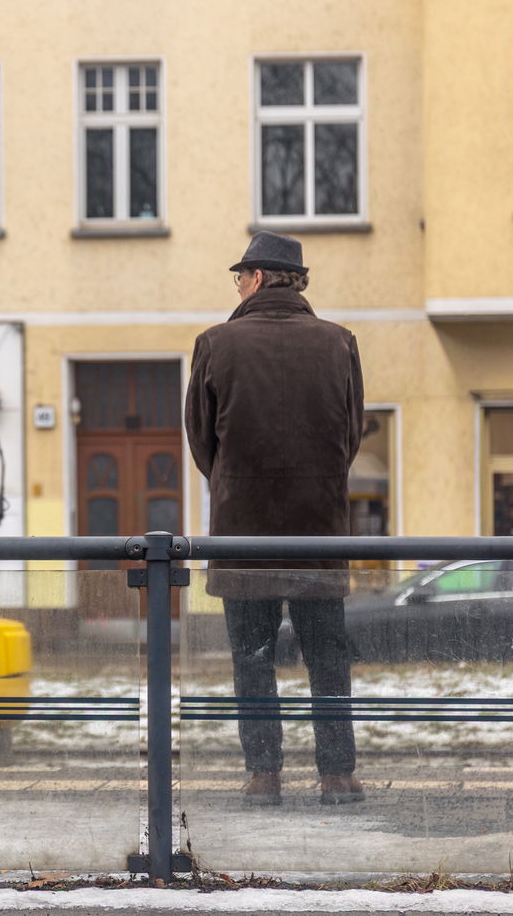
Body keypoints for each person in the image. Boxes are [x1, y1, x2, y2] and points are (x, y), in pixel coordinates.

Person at [184, 231, 365, 807]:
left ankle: (264, 776)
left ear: (258, 278)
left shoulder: (215, 343)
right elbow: (350, 438)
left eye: (240, 276)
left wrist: (236, 484)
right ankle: (337, 777)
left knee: (252, 661)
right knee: (328, 661)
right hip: (319, 534)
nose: (237, 286)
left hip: (243, 536)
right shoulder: (340, 344)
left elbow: (201, 441)